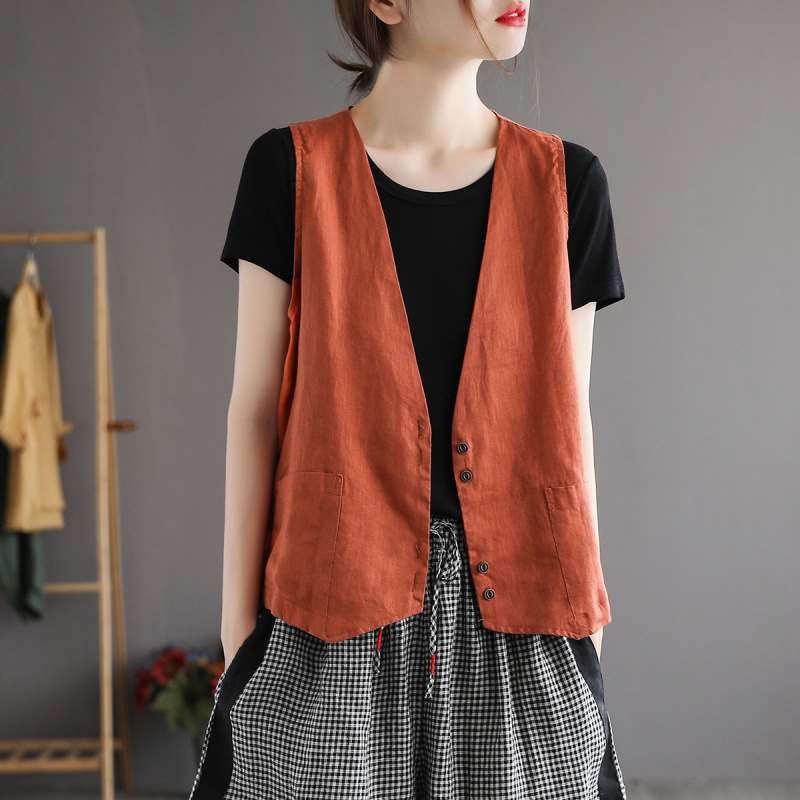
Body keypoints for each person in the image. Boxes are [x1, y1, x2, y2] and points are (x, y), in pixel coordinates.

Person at [190, 1, 627, 798]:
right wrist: (239, 627)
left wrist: (586, 622)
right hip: (328, 618)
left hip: (524, 621)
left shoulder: (568, 184)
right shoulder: (291, 170)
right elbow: (253, 412)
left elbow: (572, 424)